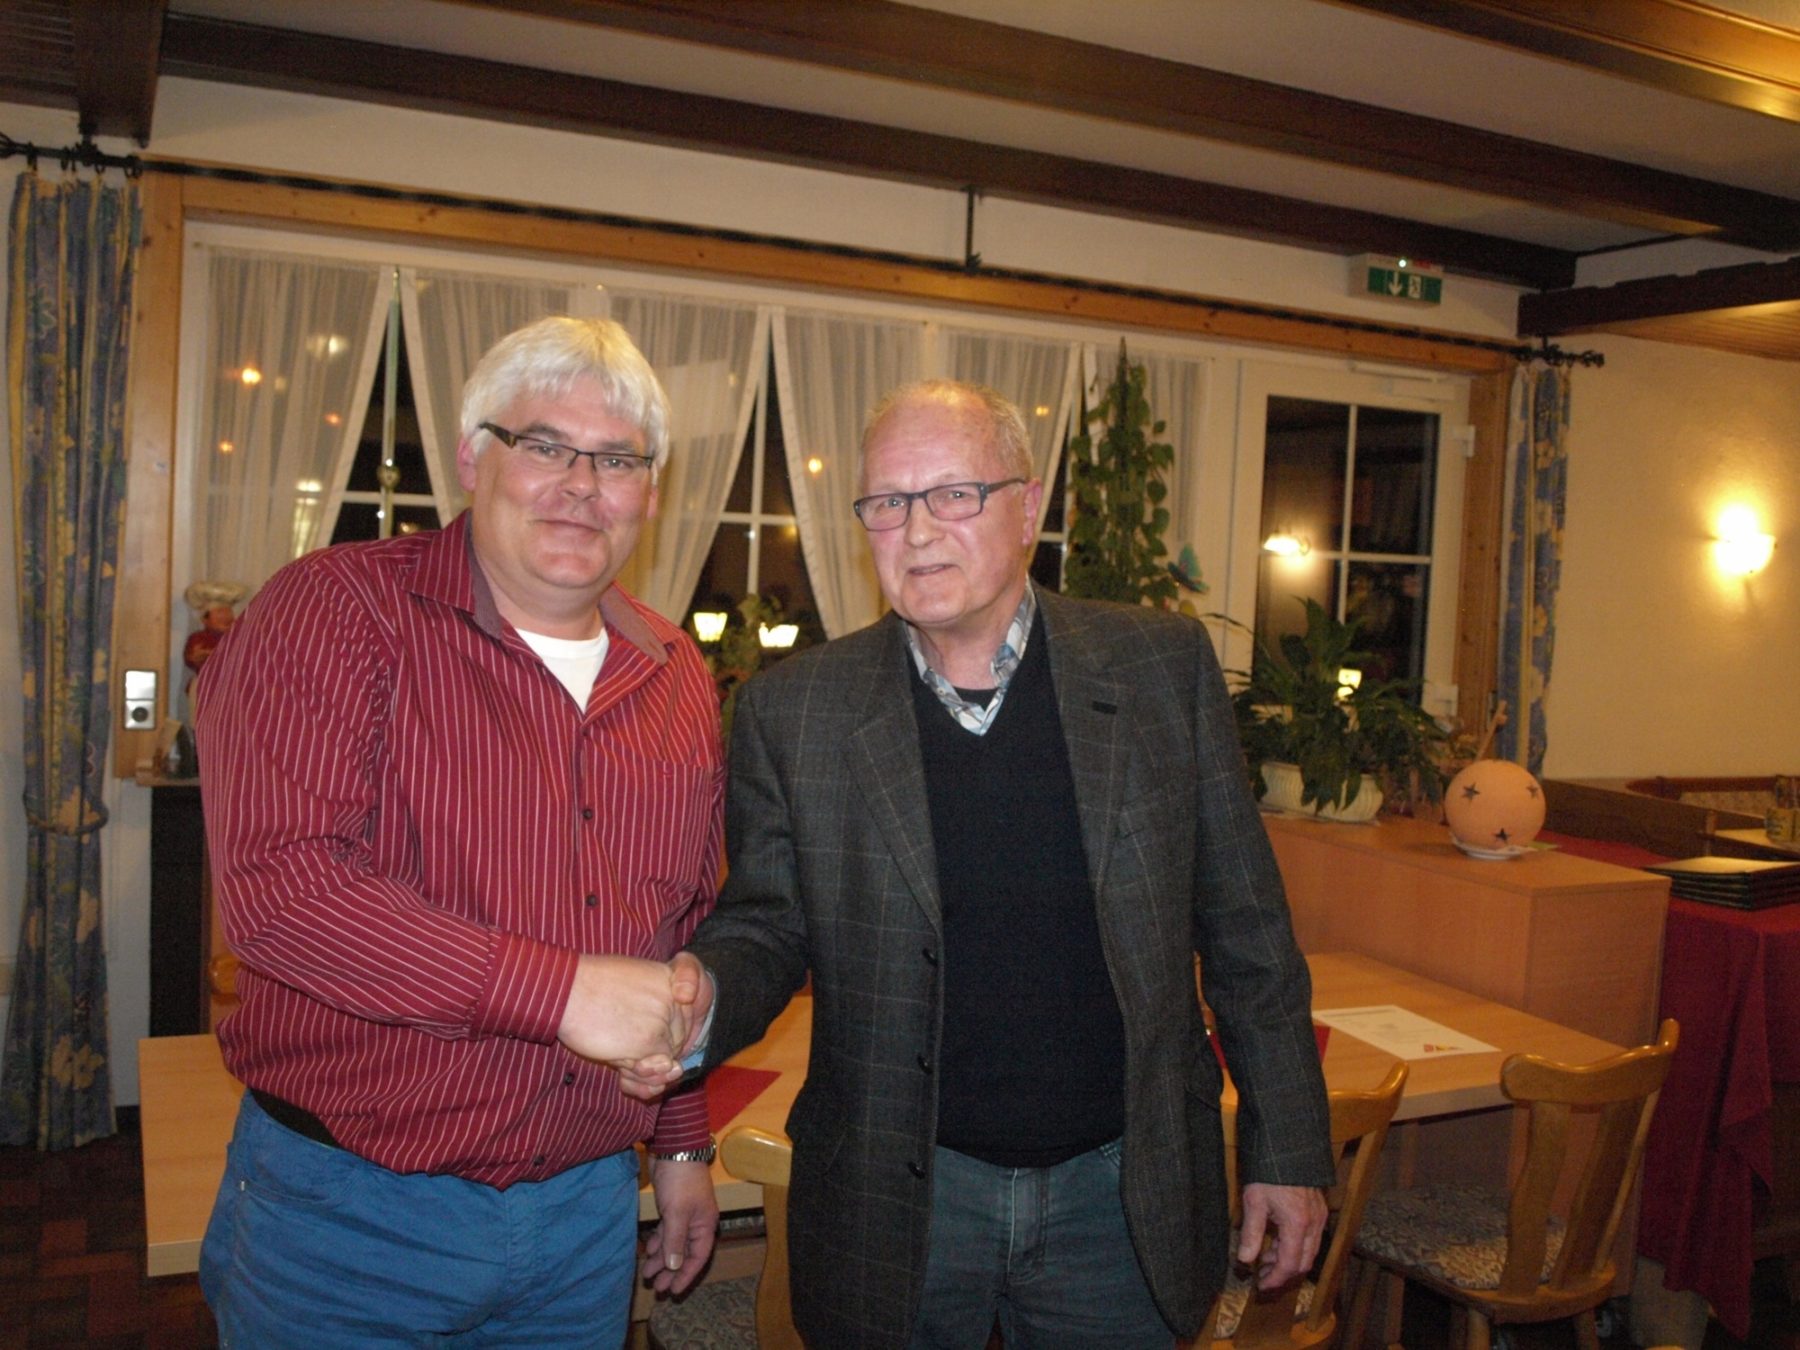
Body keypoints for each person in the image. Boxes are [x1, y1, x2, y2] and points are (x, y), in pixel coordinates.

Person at [673, 380, 1334, 1348]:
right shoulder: (796, 708)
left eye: (953, 494)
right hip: (899, 1201)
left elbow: (1248, 929)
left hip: (1122, 1197)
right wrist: (696, 1001)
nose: (917, 530)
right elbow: (767, 928)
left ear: (1027, 507)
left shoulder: (1158, 667)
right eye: (887, 502)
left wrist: (1289, 1145)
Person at [193, 317, 724, 1348]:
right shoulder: (334, 610)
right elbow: (283, 894)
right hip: (348, 1217)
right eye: (545, 446)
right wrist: (562, 992)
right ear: (474, 459)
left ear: (650, 493)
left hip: (587, 1213)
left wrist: (681, 1142)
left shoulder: (675, 671)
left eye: (617, 460)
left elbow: (683, 929)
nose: (582, 485)